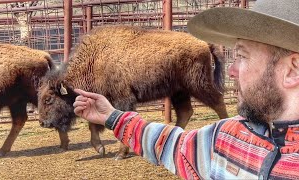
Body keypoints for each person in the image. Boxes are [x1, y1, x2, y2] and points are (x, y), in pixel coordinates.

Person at [73, 0, 299, 179]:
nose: (232, 70)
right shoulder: (225, 138)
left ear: (293, 70)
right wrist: (112, 117)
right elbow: (174, 146)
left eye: (242, 56)